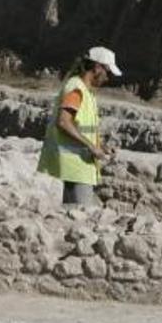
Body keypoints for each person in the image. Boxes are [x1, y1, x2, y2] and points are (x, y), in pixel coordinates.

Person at [37, 46, 121, 205]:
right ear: (97, 67)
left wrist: (100, 146)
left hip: (77, 167)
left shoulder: (86, 91)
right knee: (80, 216)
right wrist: (91, 147)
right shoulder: (77, 89)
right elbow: (63, 122)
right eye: (108, 72)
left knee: (70, 217)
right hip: (75, 168)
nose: (108, 78)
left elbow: (81, 127)